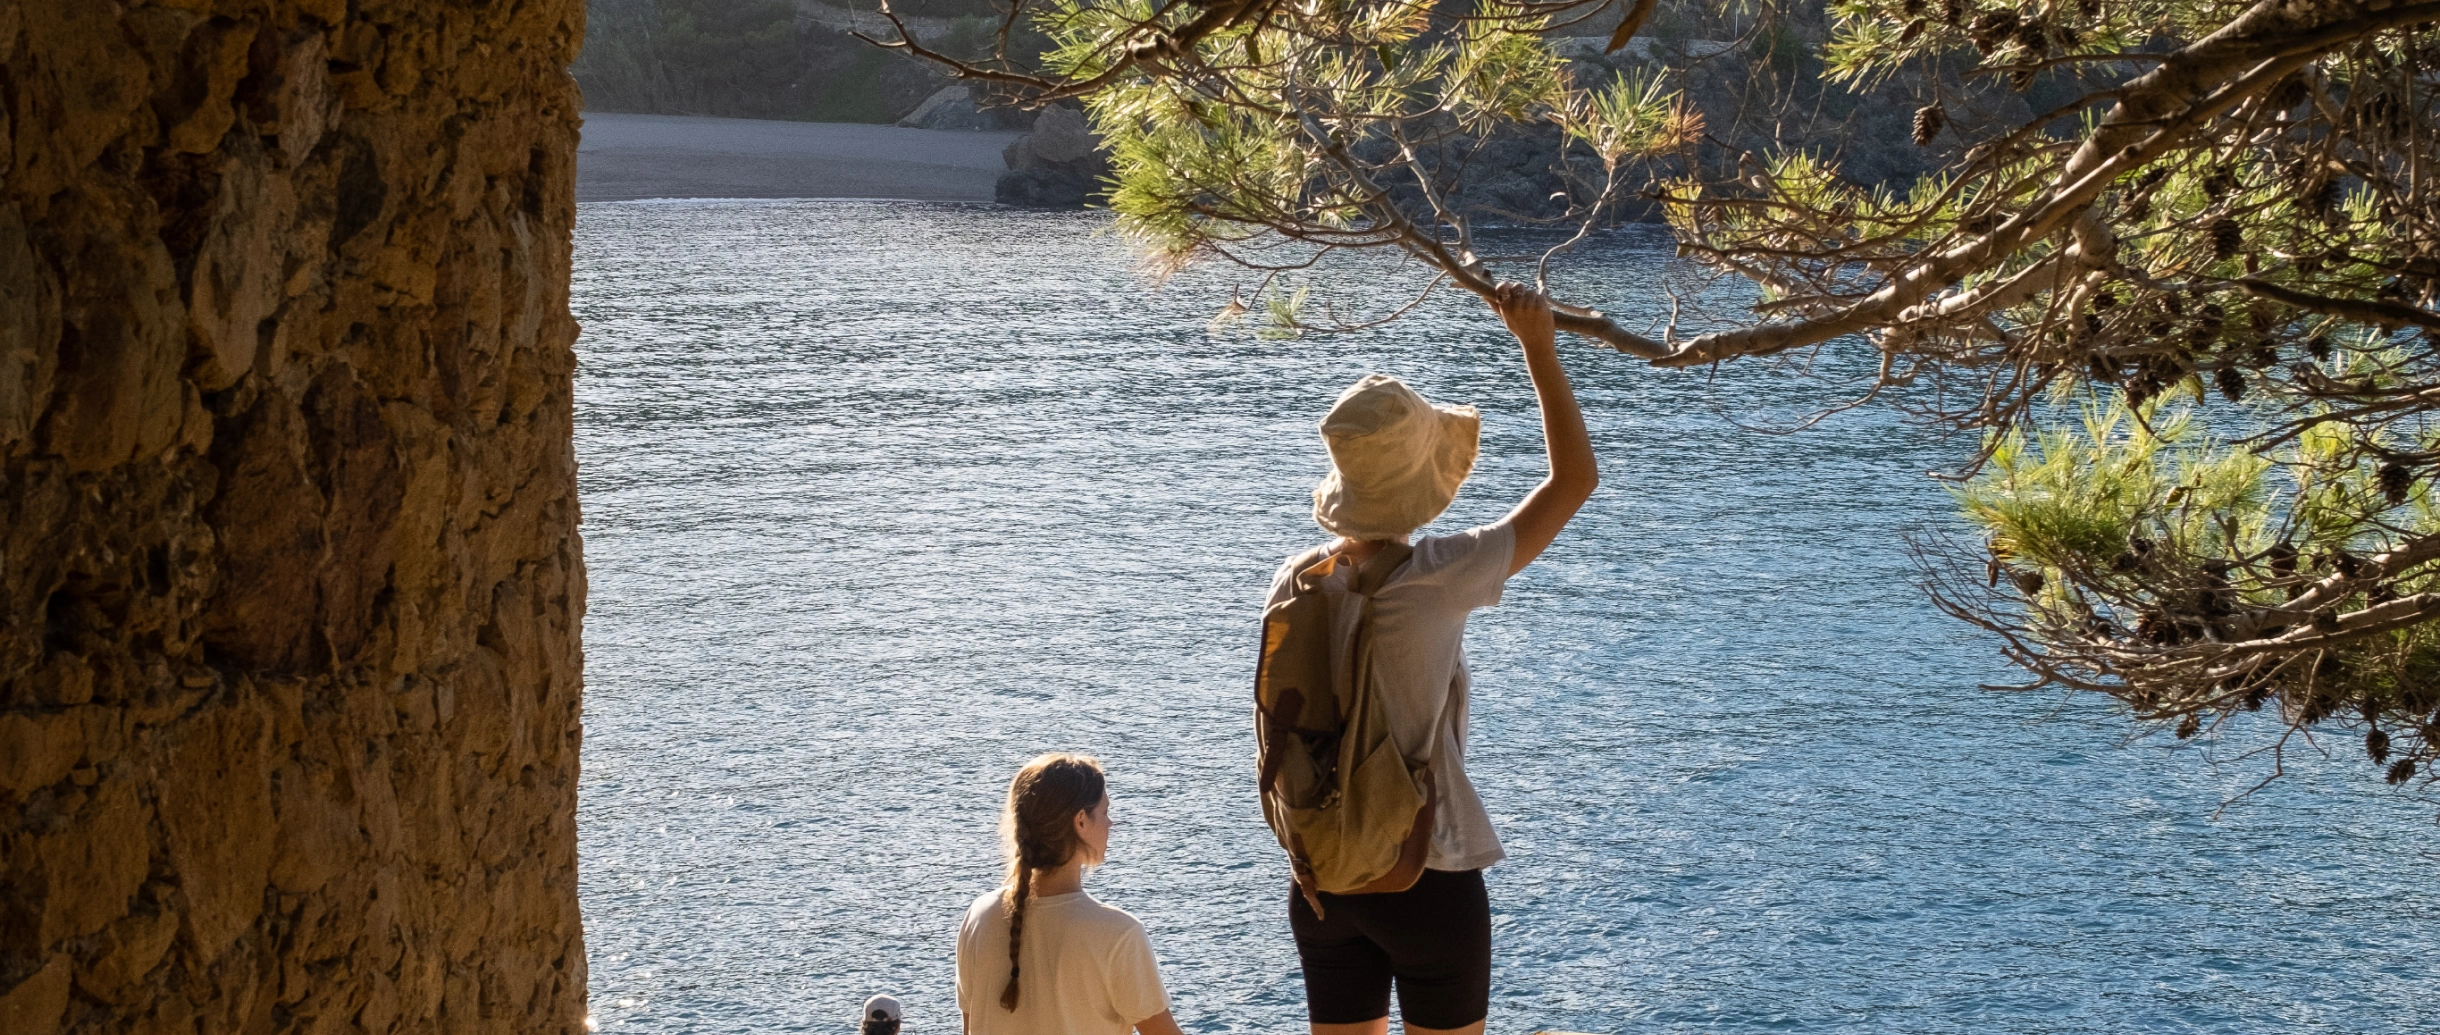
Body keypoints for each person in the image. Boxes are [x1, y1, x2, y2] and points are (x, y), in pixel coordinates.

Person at [1268, 283, 1597, 1035]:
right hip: (1427, 866)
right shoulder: (1438, 574)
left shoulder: (1295, 580)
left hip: (1322, 874)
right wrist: (1539, 350)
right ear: (1419, 484)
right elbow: (1575, 481)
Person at [955, 753, 1187, 1035]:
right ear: (1080, 821)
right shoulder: (1118, 934)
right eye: (1104, 812)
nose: (1110, 824)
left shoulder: (979, 917)